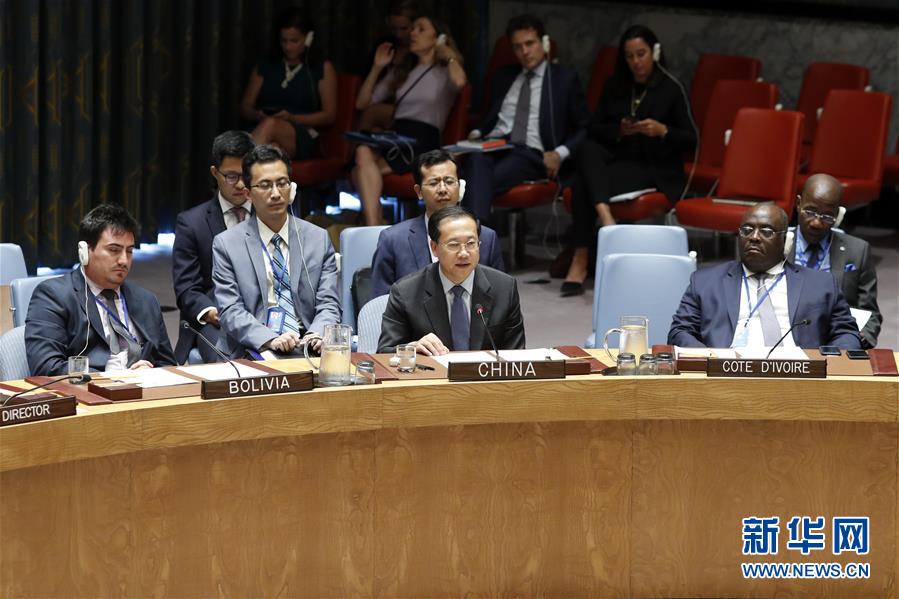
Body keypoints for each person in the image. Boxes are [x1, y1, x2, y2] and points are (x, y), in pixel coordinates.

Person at [562, 25, 696, 296]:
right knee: (587, 149)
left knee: (582, 184)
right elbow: (595, 127)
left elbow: (691, 139)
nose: (636, 62)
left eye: (641, 54)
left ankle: (581, 258)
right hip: (619, 159)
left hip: (654, 167)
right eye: (630, 56)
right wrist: (620, 130)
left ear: (654, 53)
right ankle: (606, 219)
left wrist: (662, 131)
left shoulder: (671, 87)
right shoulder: (615, 85)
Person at [667, 204, 861, 350]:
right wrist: (709, 358)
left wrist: (824, 363)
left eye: (766, 231)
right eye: (747, 230)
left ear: (784, 239)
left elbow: (847, 334)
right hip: (725, 375)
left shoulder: (821, 284)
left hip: (797, 377)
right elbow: (680, 331)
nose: (754, 237)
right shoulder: (705, 282)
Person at [212, 145, 340, 358]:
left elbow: (329, 301)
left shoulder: (318, 238)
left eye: (282, 184)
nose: (275, 194)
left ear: (292, 189)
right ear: (248, 194)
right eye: (265, 185)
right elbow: (230, 310)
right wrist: (270, 338)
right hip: (253, 347)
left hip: (308, 344)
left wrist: (317, 333)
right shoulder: (227, 244)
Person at [463, 14, 590, 225]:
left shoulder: (564, 79)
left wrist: (559, 154)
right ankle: (475, 233)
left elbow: (584, 127)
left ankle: (471, 232)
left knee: (470, 180)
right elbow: (489, 118)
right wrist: (475, 134)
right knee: (475, 159)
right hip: (492, 145)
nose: (524, 52)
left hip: (530, 152)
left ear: (544, 43)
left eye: (530, 44)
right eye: (517, 47)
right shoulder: (504, 76)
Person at [25, 204, 177, 375]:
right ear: (85, 251)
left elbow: (168, 365)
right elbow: (46, 367)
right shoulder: (53, 296)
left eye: (129, 251)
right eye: (114, 250)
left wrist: (151, 372)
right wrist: (110, 377)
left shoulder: (146, 300)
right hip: (88, 389)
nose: (124, 260)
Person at [352, 15, 467, 226]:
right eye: (412, 29)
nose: (413, 33)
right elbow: (362, 103)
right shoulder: (404, 70)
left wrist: (447, 54)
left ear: (438, 37)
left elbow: (460, 82)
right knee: (362, 153)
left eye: (421, 29)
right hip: (396, 134)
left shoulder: (445, 70)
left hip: (423, 137)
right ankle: (375, 225)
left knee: (359, 172)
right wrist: (378, 67)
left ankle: (373, 227)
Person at [378, 205, 525, 355]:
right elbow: (384, 352)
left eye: (471, 243)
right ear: (434, 247)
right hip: (431, 370)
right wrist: (412, 348)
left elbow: (518, 355)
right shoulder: (405, 292)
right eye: (454, 245)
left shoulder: (505, 288)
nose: (464, 253)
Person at [369, 149, 505, 300]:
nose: (443, 189)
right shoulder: (393, 240)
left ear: (460, 186)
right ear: (419, 191)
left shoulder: (487, 238)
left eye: (449, 182)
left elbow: (500, 298)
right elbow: (378, 304)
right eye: (434, 183)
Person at [172, 131, 255, 363]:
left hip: (265, 314)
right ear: (214, 173)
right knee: (229, 366)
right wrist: (211, 312)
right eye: (231, 176)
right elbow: (187, 288)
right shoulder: (191, 223)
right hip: (216, 319)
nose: (241, 184)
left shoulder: (269, 215)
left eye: (246, 175)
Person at [786, 173, 881, 348]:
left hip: (837, 337)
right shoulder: (777, 245)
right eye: (810, 212)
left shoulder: (858, 250)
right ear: (798, 204)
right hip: (786, 333)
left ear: (837, 215)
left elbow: (870, 313)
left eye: (827, 216)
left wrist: (860, 338)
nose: (816, 223)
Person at [239, 8, 337, 159]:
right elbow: (245, 107)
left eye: (294, 41)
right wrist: (257, 115)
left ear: (308, 39)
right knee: (272, 149)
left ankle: (237, 171)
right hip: (261, 128)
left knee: (271, 124)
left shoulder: (321, 67)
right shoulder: (266, 65)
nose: (287, 47)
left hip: (299, 133)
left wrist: (292, 118)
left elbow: (329, 115)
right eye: (283, 41)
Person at [356, 0, 418, 131]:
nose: (398, 35)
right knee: (374, 128)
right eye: (394, 29)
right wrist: (377, 67)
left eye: (404, 29)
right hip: (384, 115)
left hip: (413, 115)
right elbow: (361, 104)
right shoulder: (386, 46)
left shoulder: (421, 56)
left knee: (372, 114)